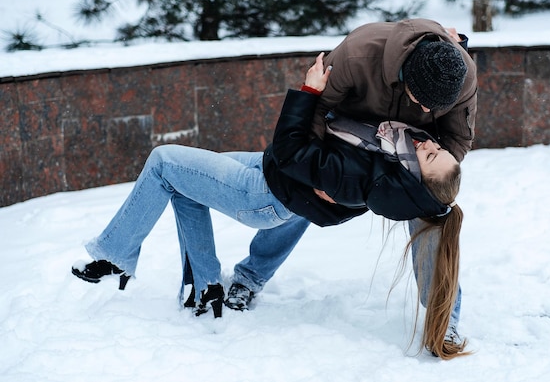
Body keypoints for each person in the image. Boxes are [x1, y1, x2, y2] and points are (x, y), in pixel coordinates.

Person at [71, 54, 461, 340]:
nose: (430, 145)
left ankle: (115, 254)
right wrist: (448, 48)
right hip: (271, 170)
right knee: (183, 178)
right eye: (438, 150)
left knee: (163, 161)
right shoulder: (393, 158)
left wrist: (309, 92)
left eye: (430, 157)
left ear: (416, 177)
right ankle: (205, 286)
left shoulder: (369, 176)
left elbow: (291, 147)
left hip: (265, 193)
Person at [225, 18, 477, 359]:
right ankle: (251, 276)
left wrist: (427, 184)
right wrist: (316, 177)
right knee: (296, 195)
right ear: (406, 79)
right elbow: (317, 107)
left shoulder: (461, 76)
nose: (429, 112)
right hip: (347, 141)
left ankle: (444, 320)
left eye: (436, 107)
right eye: (423, 102)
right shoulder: (359, 52)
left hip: (416, 156)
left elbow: (458, 138)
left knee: (434, 212)